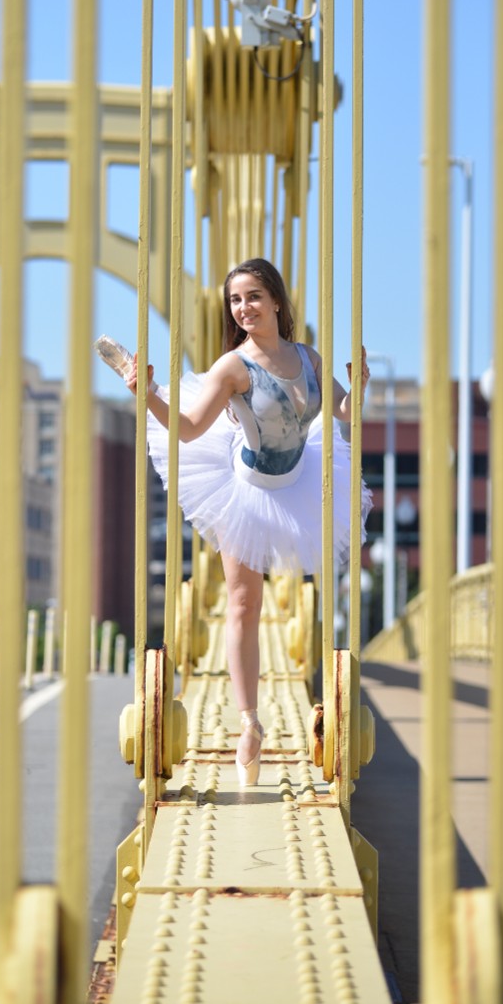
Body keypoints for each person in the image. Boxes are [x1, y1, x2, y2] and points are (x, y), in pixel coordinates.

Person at [121, 257, 371, 786]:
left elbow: (342, 413)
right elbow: (187, 430)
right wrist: (147, 396)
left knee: (298, 585)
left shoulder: (308, 357)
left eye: (253, 296)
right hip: (246, 489)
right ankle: (249, 724)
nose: (244, 308)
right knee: (243, 603)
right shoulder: (233, 367)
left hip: (298, 478)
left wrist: (359, 389)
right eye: (235, 300)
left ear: (277, 300)